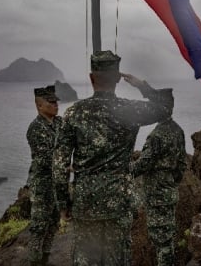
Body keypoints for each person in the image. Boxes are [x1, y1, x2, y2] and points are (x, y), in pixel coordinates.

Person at [53, 50, 172, 266]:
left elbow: (59, 164)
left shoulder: (73, 113)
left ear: (91, 78)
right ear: (118, 79)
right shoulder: (129, 109)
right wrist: (141, 85)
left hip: (85, 202)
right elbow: (165, 108)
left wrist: (64, 204)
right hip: (118, 201)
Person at [132, 88, 187, 266]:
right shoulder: (177, 130)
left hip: (156, 195)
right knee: (167, 237)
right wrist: (171, 182)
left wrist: (118, 169)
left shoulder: (157, 136)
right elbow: (182, 164)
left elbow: (142, 165)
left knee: (161, 241)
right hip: (169, 191)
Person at [26, 85, 62, 266]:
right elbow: (45, 158)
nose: (56, 105)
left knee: (54, 222)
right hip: (42, 183)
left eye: (56, 102)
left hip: (56, 183)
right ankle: (34, 261)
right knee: (39, 226)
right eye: (52, 102)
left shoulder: (58, 123)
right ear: (40, 106)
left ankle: (45, 258)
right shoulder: (36, 128)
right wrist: (68, 166)